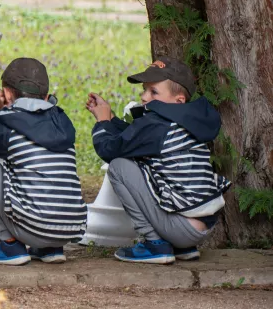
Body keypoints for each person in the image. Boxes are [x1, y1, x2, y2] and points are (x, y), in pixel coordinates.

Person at [87, 57, 231, 265]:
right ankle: (182, 248)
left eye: (154, 92)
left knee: (119, 166)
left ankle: (154, 244)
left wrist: (102, 123)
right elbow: (135, 139)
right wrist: (110, 119)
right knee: (141, 163)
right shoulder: (185, 122)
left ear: (178, 100)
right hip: (201, 226)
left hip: (181, 227)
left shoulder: (157, 125)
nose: (144, 97)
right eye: (145, 89)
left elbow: (110, 149)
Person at [0, 58, 87, 265]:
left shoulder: (6, 121)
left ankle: (8, 244)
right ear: (46, 96)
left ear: (7, 93)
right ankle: (49, 249)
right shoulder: (62, 121)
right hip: (68, 230)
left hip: (32, 228)